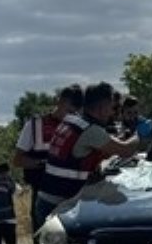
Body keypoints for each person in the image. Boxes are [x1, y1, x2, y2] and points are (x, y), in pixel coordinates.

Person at [38, 81, 142, 228]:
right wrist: (138, 134)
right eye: (111, 107)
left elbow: (87, 151)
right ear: (102, 107)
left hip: (47, 198)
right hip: (60, 205)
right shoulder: (91, 130)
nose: (112, 112)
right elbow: (126, 150)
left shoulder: (72, 120)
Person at [14, 84, 82, 230]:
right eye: (69, 111)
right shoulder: (34, 125)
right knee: (42, 238)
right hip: (42, 193)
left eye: (75, 112)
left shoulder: (80, 126)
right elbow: (18, 160)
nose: (72, 116)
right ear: (59, 102)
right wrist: (45, 164)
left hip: (74, 195)